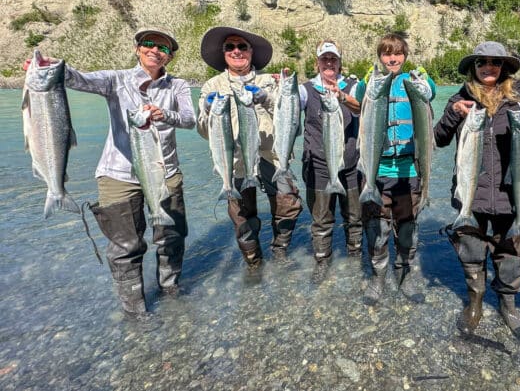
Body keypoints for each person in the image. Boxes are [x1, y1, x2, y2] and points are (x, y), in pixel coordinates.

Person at [24, 28, 195, 320]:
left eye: (163, 48)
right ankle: (135, 311)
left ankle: (171, 293)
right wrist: (56, 69)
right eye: (149, 44)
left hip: (164, 171)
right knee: (125, 244)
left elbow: (190, 120)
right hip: (117, 174)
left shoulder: (177, 86)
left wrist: (164, 114)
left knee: (171, 236)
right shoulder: (116, 79)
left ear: (170, 56)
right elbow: (81, 80)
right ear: (137, 49)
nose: (155, 50)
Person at [433, 41, 520, 340]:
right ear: (473, 68)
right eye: (482, 62)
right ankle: (474, 303)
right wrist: (453, 115)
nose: (489, 67)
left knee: (512, 254)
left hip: (512, 197)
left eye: (495, 63)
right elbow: (439, 138)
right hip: (471, 196)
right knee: (471, 252)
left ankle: (508, 306)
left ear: (504, 68)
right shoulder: (460, 99)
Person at [197, 27, 303, 268]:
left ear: (251, 52)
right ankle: (254, 263)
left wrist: (267, 97)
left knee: (289, 204)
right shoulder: (211, 86)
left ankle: (280, 251)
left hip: (273, 156)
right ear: (223, 53)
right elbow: (203, 131)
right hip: (235, 161)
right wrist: (207, 110)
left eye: (242, 46)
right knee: (241, 215)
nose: (237, 51)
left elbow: (291, 114)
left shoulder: (271, 81)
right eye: (230, 47)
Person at [354, 33, 436, 305]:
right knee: (376, 230)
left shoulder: (414, 81)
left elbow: (431, 90)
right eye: (387, 53)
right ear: (379, 57)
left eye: (398, 53)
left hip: (408, 174)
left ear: (405, 56)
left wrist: (423, 79)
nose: (392, 58)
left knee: (407, 230)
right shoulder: (372, 83)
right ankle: (377, 277)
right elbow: (356, 94)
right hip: (377, 174)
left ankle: (405, 274)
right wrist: (368, 79)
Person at [299, 40, 362, 281]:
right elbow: (288, 107)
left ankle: (354, 256)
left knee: (354, 217)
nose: (329, 63)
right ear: (317, 62)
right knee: (321, 219)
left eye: (333, 59)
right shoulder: (306, 90)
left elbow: (361, 108)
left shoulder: (353, 86)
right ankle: (322, 259)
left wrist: (342, 96)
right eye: (324, 59)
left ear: (339, 62)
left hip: (351, 167)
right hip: (318, 167)